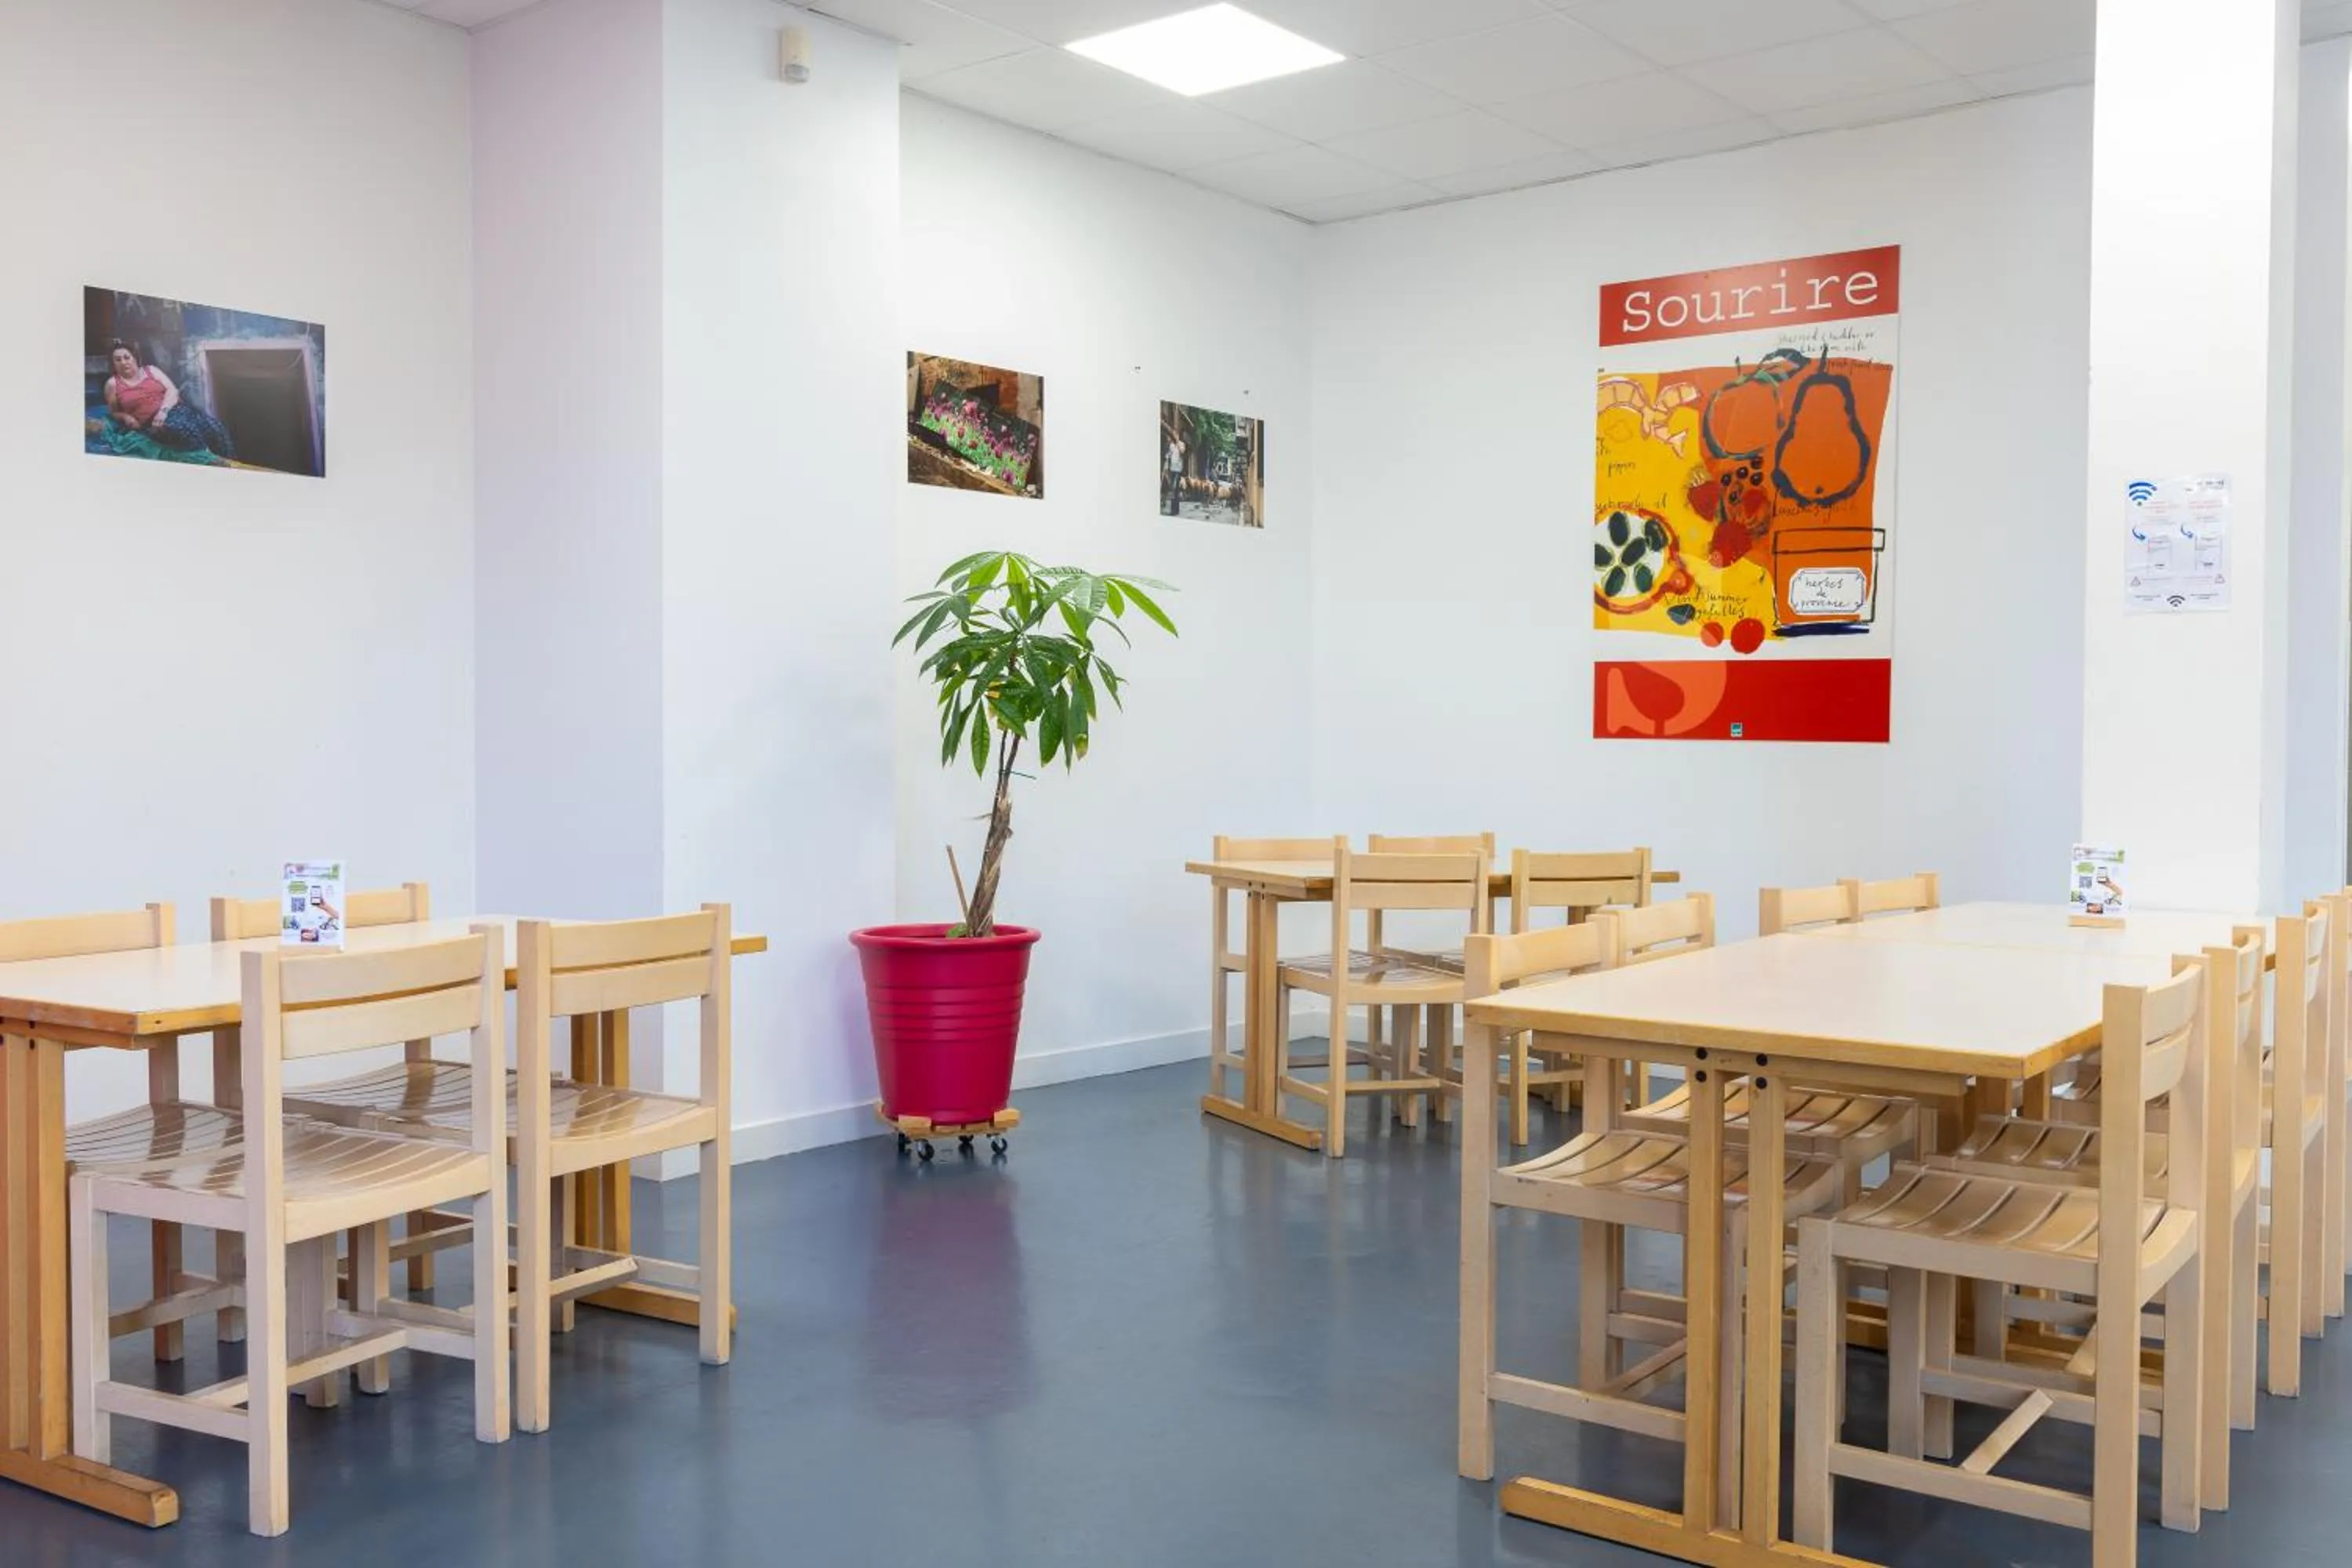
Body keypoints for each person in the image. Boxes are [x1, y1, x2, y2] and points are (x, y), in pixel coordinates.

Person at [102, 341, 235, 459]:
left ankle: (231, 464)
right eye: (118, 360)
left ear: (135, 358)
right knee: (181, 429)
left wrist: (163, 411)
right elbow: (114, 411)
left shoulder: (151, 371)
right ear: (113, 364)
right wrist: (126, 417)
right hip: (152, 424)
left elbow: (172, 391)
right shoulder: (112, 384)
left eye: (127, 357)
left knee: (216, 428)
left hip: (175, 410)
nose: (124, 362)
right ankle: (209, 460)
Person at [1164, 430, 1185, 516]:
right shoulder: (1172, 445)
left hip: (1178, 470)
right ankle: (1174, 510)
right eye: (1174, 435)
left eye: (1176, 435)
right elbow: (1169, 455)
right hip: (1172, 469)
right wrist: (1167, 456)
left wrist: (1178, 444)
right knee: (1174, 490)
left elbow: (1182, 451)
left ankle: (1175, 510)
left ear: (1178, 436)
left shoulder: (1181, 444)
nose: (1174, 436)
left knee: (1175, 489)